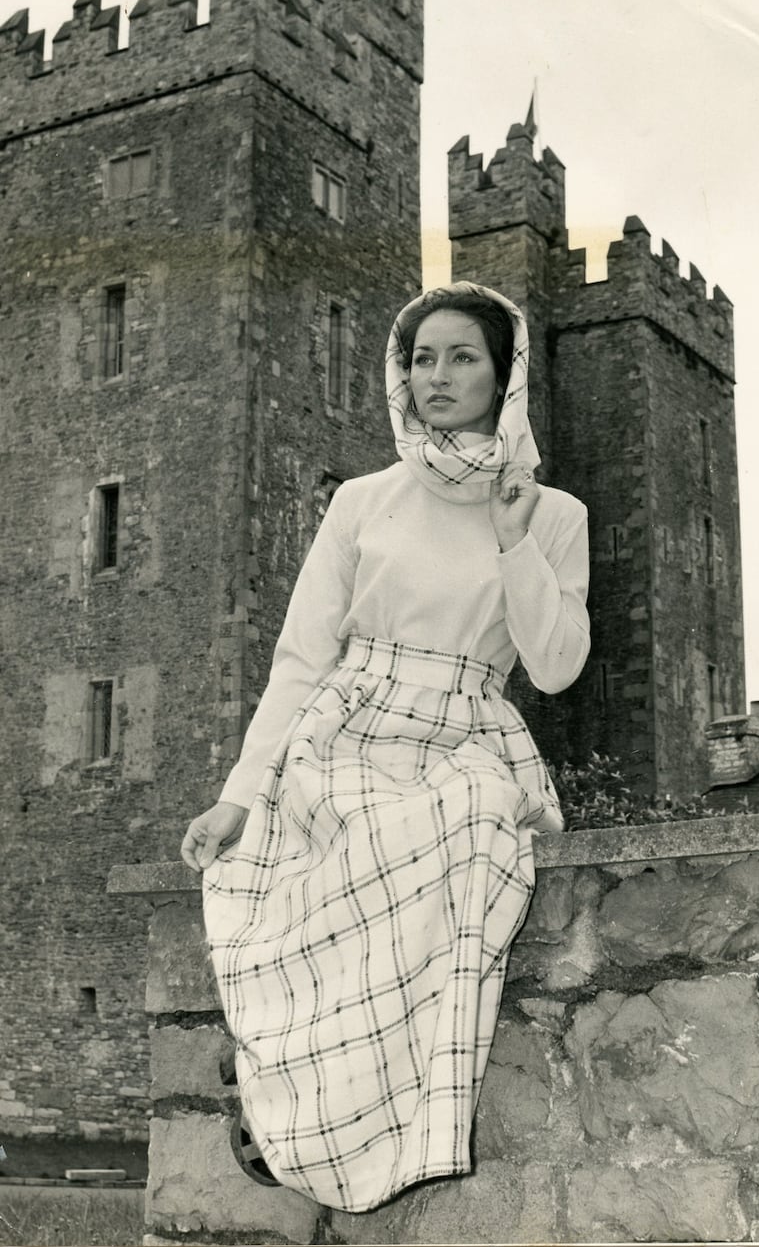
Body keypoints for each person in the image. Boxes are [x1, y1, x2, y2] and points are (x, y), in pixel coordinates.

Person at [181, 281, 590, 1213]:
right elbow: (301, 656)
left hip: (467, 727)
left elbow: (557, 667)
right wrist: (242, 793)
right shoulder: (364, 500)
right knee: (344, 857)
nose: (437, 376)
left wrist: (514, 540)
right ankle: (289, 1099)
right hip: (352, 726)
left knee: (481, 819)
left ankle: (418, 1133)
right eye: (421, 358)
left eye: (462, 357)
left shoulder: (553, 513)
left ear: (505, 374)